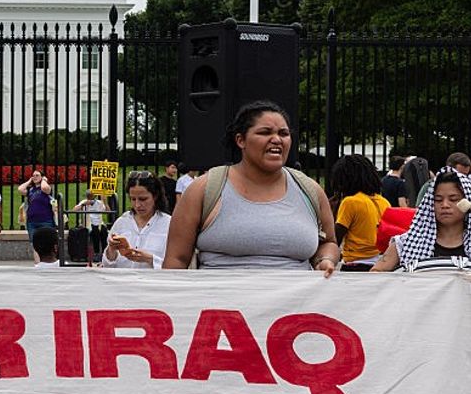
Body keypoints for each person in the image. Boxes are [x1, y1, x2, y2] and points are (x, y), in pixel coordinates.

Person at [163, 101, 339, 275]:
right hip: (221, 300)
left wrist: (325, 260)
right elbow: (176, 260)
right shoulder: (204, 189)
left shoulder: (310, 190)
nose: (277, 139)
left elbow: (328, 243)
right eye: (265, 132)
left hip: (296, 303)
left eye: (283, 133)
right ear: (241, 140)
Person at [372, 168, 471, 272]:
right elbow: (376, 274)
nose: (445, 205)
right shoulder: (405, 244)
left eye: (453, 199)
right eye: (438, 200)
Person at [329, 154, 390, 271]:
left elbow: (335, 239)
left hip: (355, 265)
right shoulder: (384, 202)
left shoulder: (350, 202)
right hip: (379, 264)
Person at [102, 173, 170, 269]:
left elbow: (176, 266)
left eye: (143, 199)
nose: (137, 205)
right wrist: (111, 249)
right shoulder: (121, 222)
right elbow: (107, 265)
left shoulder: (168, 224)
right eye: (133, 199)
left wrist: (150, 259)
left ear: (155, 196)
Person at [19, 169, 57, 259]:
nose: (34, 177)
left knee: (48, 242)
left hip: (46, 220)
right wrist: (29, 181)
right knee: (34, 243)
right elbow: (20, 189)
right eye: (33, 175)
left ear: (42, 177)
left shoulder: (47, 188)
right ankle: (37, 263)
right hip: (32, 221)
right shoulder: (31, 190)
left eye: (37, 175)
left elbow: (44, 188)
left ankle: (48, 261)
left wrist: (44, 180)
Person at [72, 191, 109, 259]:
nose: (90, 200)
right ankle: (96, 253)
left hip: (99, 223)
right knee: (95, 232)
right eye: (89, 197)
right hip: (89, 223)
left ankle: (105, 252)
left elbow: (108, 211)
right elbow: (74, 210)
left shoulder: (99, 203)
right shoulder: (84, 202)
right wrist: (83, 205)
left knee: (104, 232)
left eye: (92, 198)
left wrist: (105, 202)